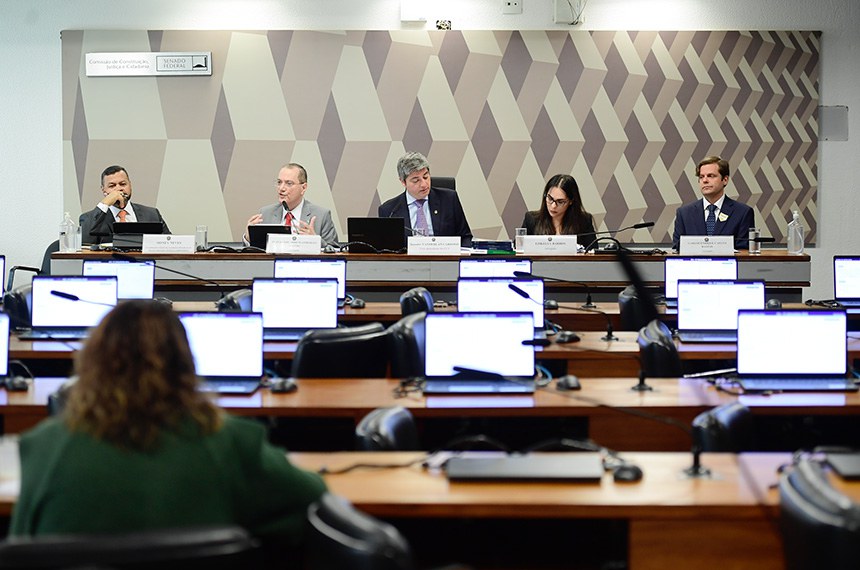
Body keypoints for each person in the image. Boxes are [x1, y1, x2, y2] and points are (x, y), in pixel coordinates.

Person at [10, 300, 327, 546]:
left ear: (91, 363)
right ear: (186, 362)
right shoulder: (231, 442)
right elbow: (314, 498)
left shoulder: (42, 447)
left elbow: (22, 547)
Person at [378, 151, 472, 246]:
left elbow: (466, 237)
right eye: (416, 180)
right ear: (403, 182)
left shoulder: (449, 200)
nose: (424, 184)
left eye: (425, 177)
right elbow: (386, 247)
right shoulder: (389, 210)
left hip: (444, 259)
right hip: (408, 260)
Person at [672, 156, 755, 250]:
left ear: (725, 180)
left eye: (711, 176)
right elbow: (677, 247)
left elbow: (744, 249)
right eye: (701, 177)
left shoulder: (742, 212)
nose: (705, 180)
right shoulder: (684, 213)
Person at [245, 163, 338, 245]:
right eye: (279, 182)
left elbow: (335, 251)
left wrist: (315, 241)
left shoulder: (321, 215)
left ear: (303, 188)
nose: (281, 188)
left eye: (289, 183)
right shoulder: (265, 213)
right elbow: (256, 251)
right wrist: (249, 238)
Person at [79, 165, 171, 245]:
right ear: (103, 190)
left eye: (123, 184)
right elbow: (85, 243)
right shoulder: (89, 218)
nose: (118, 189)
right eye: (112, 186)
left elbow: (170, 244)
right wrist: (105, 203)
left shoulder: (152, 214)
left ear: (130, 185)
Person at [521, 173, 596, 247]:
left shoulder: (584, 221)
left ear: (571, 201)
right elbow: (518, 249)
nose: (553, 206)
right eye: (550, 199)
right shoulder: (532, 220)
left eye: (560, 202)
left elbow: (593, 253)